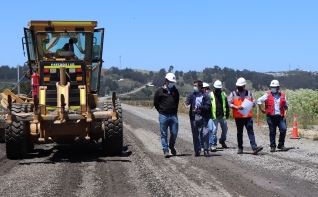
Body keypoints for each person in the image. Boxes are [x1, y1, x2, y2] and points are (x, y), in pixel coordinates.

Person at [228, 77, 263, 155]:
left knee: (250, 131)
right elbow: (229, 103)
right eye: (238, 86)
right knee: (239, 133)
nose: (239, 87)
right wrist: (236, 107)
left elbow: (254, 102)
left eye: (241, 86)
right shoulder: (233, 94)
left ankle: (254, 148)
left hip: (248, 116)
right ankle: (240, 148)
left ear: (244, 86)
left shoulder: (250, 93)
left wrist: (251, 104)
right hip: (239, 117)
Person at [257, 79, 288, 152]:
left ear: (278, 87)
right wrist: (262, 109)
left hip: (280, 117)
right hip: (271, 117)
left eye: (275, 87)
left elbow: (286, 106)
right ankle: (273, 146)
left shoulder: (283, 96)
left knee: (283, 130)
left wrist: (285, 113)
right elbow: (259, 100)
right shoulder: (267, 95)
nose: (273, 88)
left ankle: (281, 145)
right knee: (272, 131)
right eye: (272, 87)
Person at [153, 73, 180, 158]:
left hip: (173, 115)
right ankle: (165, 149)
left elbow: (177, 101)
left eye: (173, 82)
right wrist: (160, 110)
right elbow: (156, 103)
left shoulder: (175, 91)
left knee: (174, 132)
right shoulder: (159, 92)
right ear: (166, 81)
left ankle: (171, 146)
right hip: (163, 115)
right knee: (163, 133)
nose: (172, 83)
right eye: (171, 81)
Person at [184, 80, 211, 157]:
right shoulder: (192, 94)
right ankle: (197, 150)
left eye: (196, 86)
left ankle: (206, 150)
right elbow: (188, 101)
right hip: (194, 116)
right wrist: (186, 103)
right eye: (194, 85)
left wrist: (200, 108)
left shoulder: (205, 96)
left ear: (200, 87)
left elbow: (208, 106)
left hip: (203, 116)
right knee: (195, 135)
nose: (194, 87)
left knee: (205, 133)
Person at [209, 80, 230, 152]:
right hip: (214, 116)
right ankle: (213, 144)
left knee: (225, 130)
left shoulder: (223, 94)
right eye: (217, 88)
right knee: (214, 131)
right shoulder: (210, 95)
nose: (218, 89)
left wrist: (227, 113)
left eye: (219, 88)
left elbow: (226, 105)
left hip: (222, 116)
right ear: (214, 87)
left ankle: (222, 140)